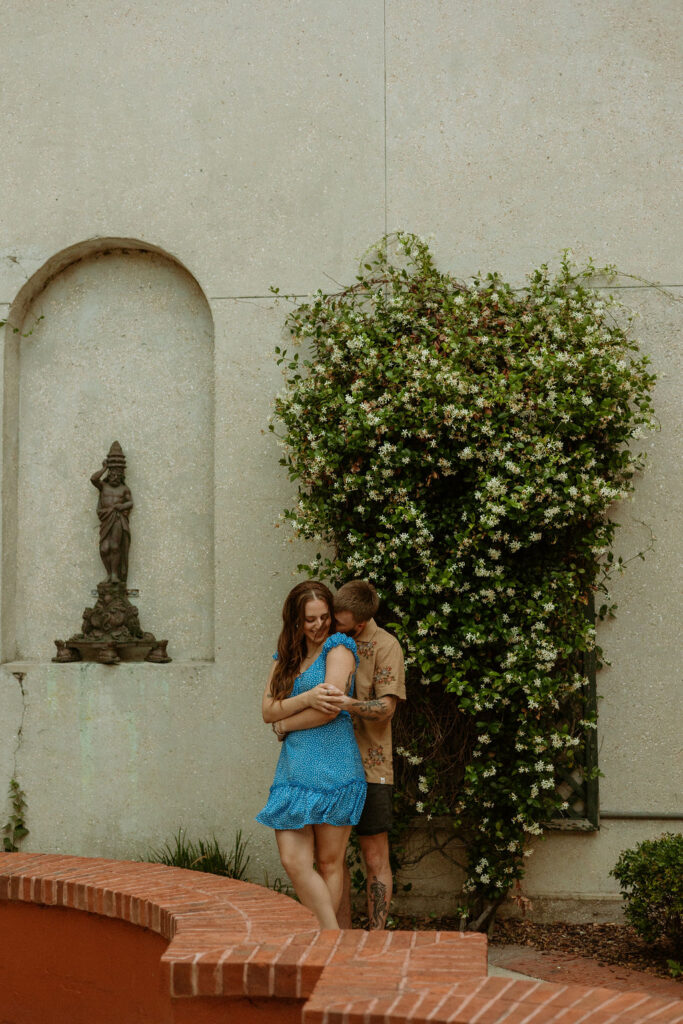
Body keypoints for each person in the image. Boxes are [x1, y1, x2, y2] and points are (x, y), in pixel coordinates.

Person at [278, 580, 405, 930]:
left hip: (370, 764)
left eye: (340, 623)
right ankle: (340, 935)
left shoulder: (385, 646)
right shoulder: (326, 642)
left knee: (374, 855)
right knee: (329, 862)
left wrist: (347, 704)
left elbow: (387, 707)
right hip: (327, 764)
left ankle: (375, 938)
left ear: (360, 624)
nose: (330, 626)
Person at [256, 581, 366, 929]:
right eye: (309, 620)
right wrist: (304, 698)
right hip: (294, 771)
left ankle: (323, 943)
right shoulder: (285, 658)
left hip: (334, 768)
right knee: (293, 860)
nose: (319, 626)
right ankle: (331, 937)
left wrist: (287, 725)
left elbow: (330, 709)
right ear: (295, 621)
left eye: (323, 617)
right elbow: (267, 710)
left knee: (329, 863)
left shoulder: (340, 648)